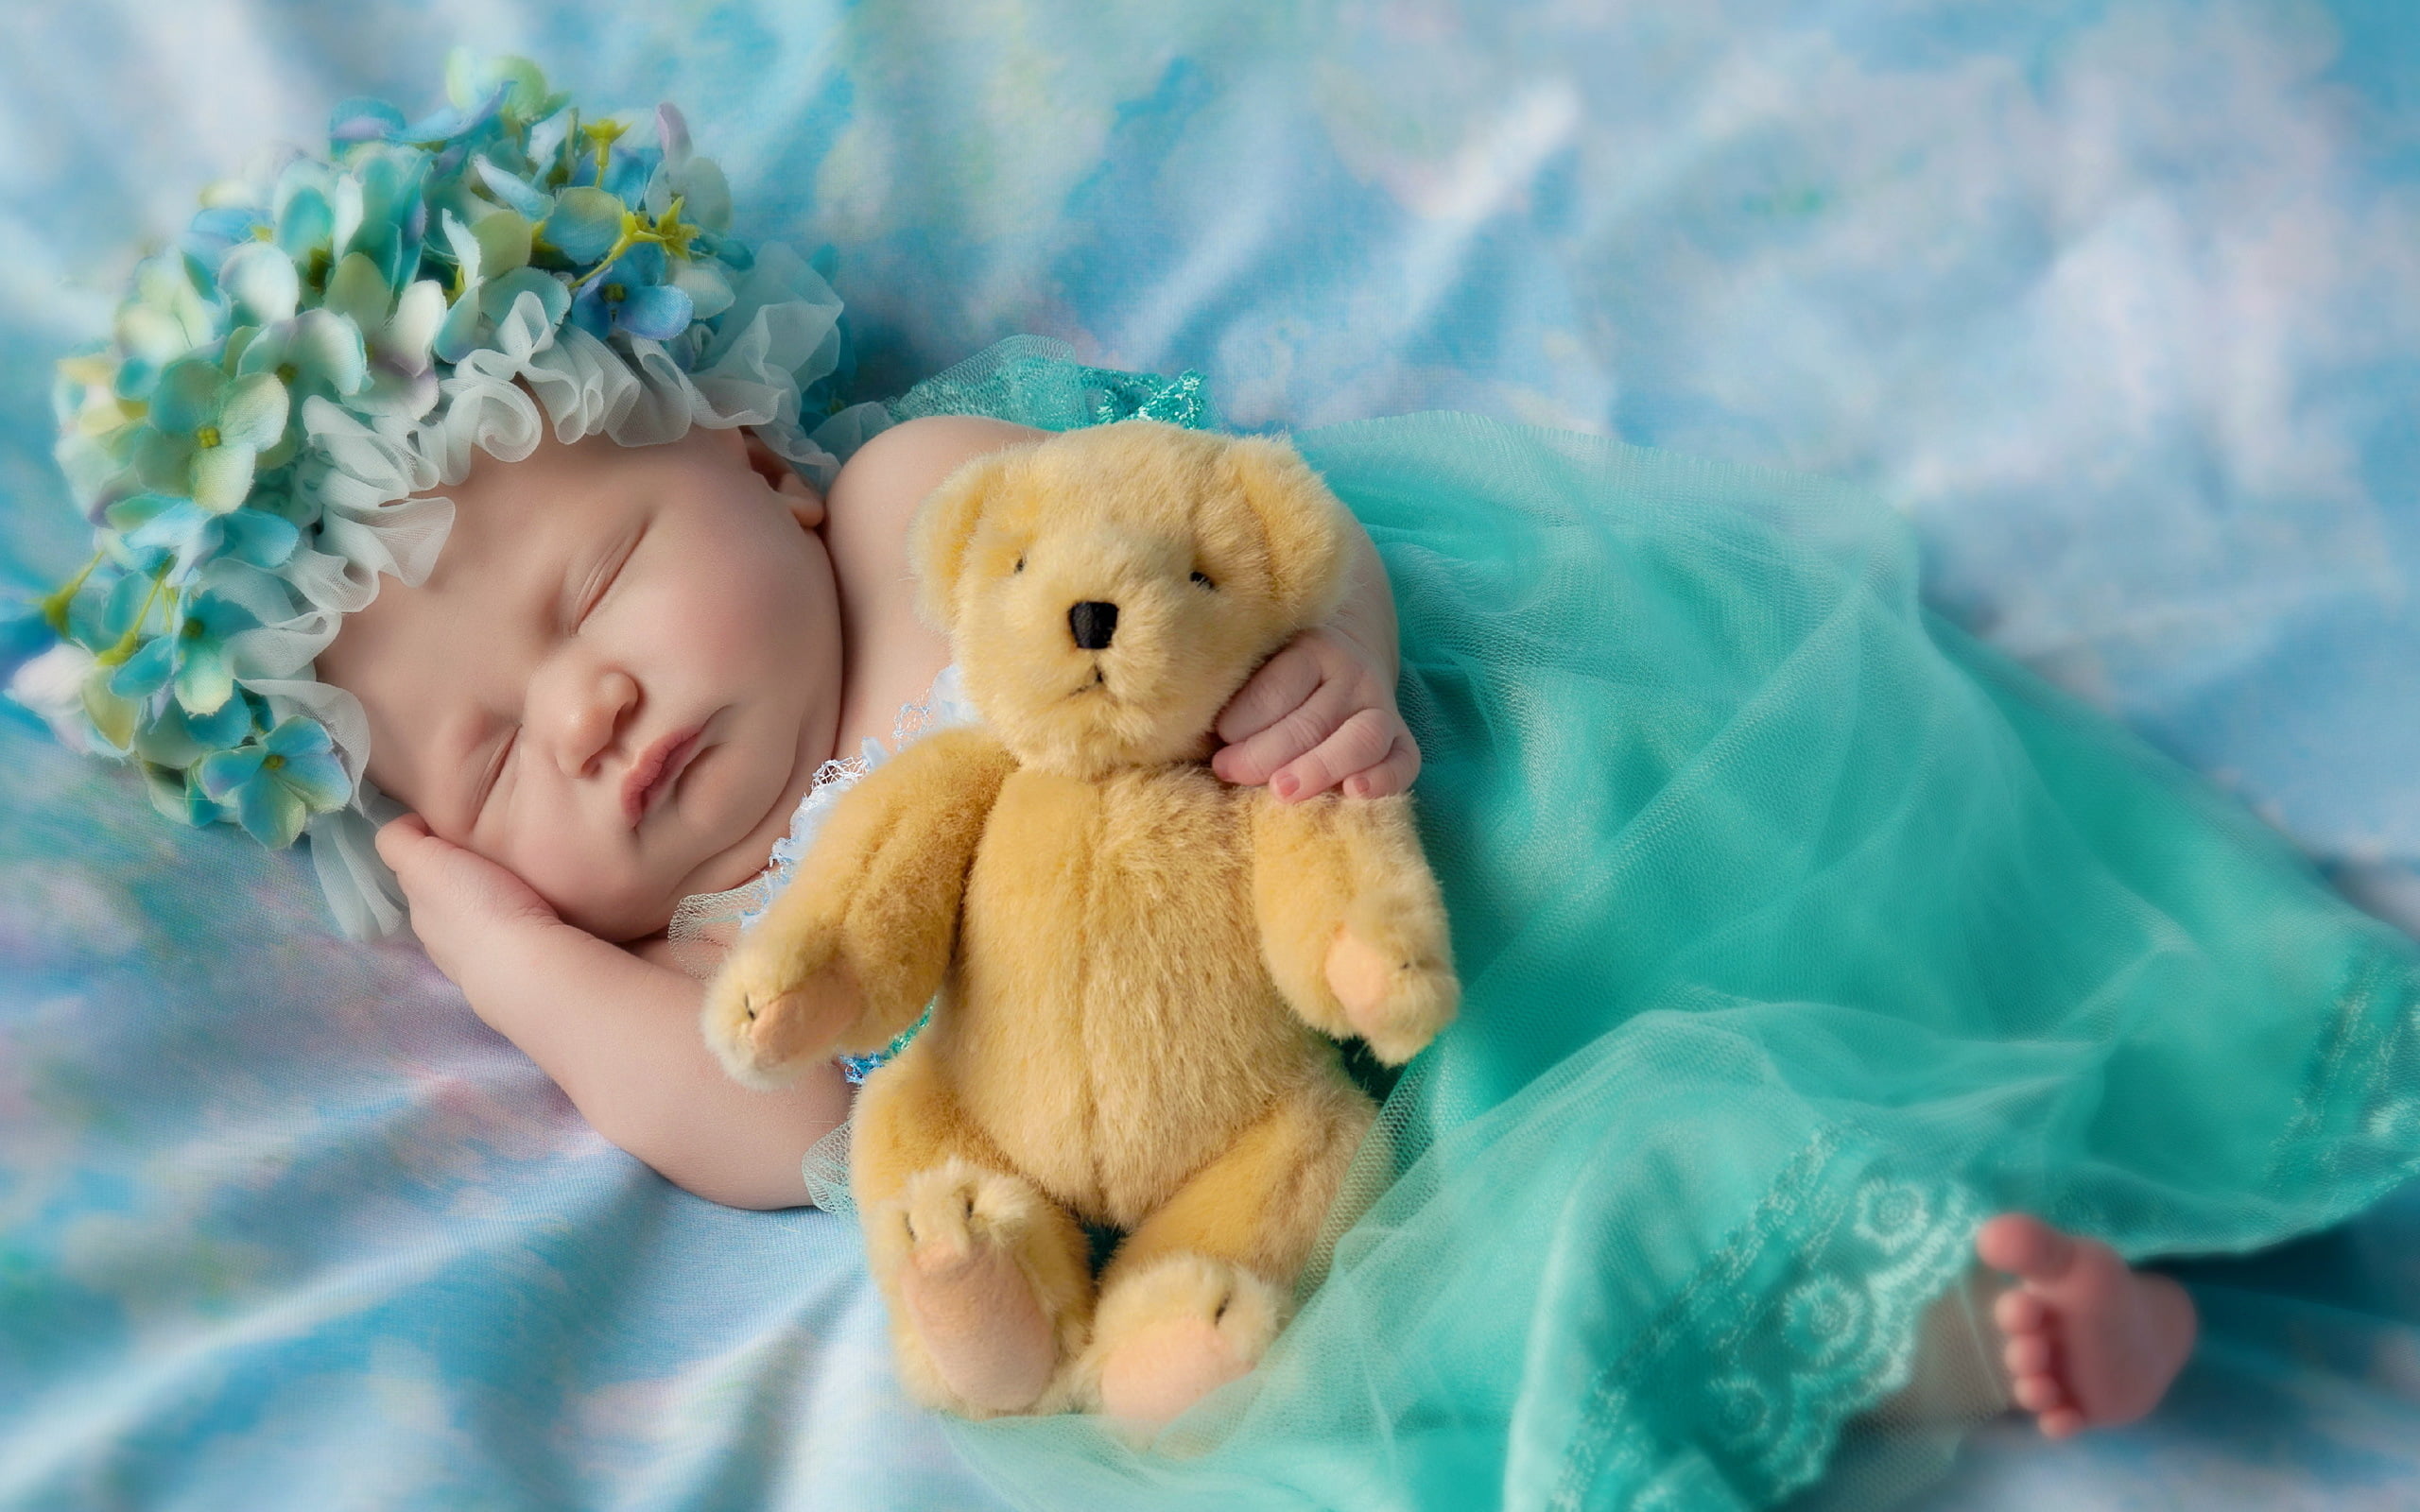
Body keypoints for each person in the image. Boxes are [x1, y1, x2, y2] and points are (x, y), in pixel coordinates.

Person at [15, 53, 2413, 1511]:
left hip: (1436, 876)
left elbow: (1264, 522)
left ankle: (2079, 1133)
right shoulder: (709, 932)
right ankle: (1940, 1317)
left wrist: (1320, 670)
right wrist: (500, 941)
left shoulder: (914, 512)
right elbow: (765, 1129)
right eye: (482, 752)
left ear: (742, 444)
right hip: (1255, 1176)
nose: (589, 715)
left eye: (595, 585)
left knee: (1679, 965)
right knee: (1454, 1291)